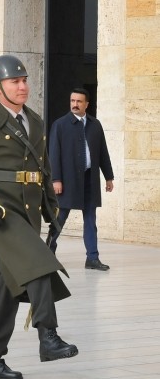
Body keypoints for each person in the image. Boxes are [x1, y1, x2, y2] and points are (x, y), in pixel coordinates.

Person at [0, 54, 77, 379]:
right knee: (37, 263)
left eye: (24, 80)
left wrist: (52, 214)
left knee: (9, 286)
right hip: (0, 211)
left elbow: (44, 171)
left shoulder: (35, 121)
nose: (23, 86)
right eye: (15, 81)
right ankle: (48, 336)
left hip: (28, 212)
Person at [48, 88, 115, 271]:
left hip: (89, 179)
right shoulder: (60, 125)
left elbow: (102, 153)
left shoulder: (95, 125)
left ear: (87, 104)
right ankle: (47, 254)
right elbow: (53, 155)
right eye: (72, 101)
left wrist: (108, 176)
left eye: (79, 101)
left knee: (90, 220)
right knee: (59, 219)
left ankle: (92, 258)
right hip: (67, 180)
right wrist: (56, 180)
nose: (75, 104)